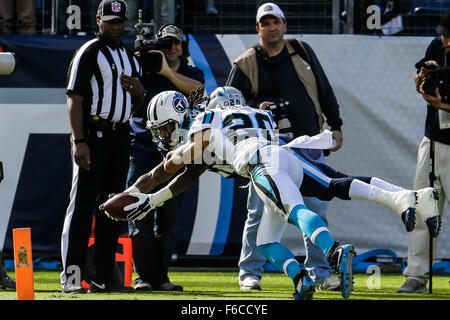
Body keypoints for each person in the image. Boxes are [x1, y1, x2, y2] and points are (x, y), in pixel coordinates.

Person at [104, 89, 439, 300]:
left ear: (175, 117)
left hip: (260, 162)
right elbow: (190, 175)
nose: (163, 136)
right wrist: (151, 202)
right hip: (284, 155)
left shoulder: (201, 128)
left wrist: (136, 192)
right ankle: (403, 199)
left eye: (163, 128)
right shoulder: (230, 117)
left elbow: (167, 169)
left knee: (295, 211)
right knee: (299, 214)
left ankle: (334, 252)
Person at [226, 2, 344, 291]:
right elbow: (229, 107)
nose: (272, 27)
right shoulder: (246, 62)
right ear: (258, 29)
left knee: (317, 207)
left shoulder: (301, 51)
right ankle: (249, 273)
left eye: (276, 22)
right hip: (266, 149)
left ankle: (319, 272)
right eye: (265, 23)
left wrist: (336, 124)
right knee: (258, 211)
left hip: (307, 143)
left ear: (285, 24)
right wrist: (256, 108)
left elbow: (324, 87)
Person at [60, 0, 145, 294]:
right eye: (109, 21)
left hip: (120, 135)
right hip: (93, 134)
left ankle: (103, 277)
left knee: (112, 209)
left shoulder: (131, 57)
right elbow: (75, 98)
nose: (114, 27)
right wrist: (79, 140)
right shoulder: (89, 51)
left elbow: (136, 103)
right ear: (97, 20)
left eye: (119, 22)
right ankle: (72, 278)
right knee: (82, 207)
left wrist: (140, 92)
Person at [126, 23, 205, 292]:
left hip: (177, 156)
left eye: (176, 43)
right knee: (139, 216)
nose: (172, 47)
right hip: (142, 151)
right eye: (166, 43)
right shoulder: (142, 68)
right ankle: (144, 277)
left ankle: (161, 278)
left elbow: (199, 92)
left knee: (168, 221)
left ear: (183, 47)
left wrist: (167, 72)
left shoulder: (191, 72)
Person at [397, 9, 450, 294]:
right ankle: (417, 273)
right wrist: (421, 83)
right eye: (443, 35)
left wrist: (443, 106)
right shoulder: (436, 46)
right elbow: (420, 83)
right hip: (432, 140)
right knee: (422, 205)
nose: (446, 42)